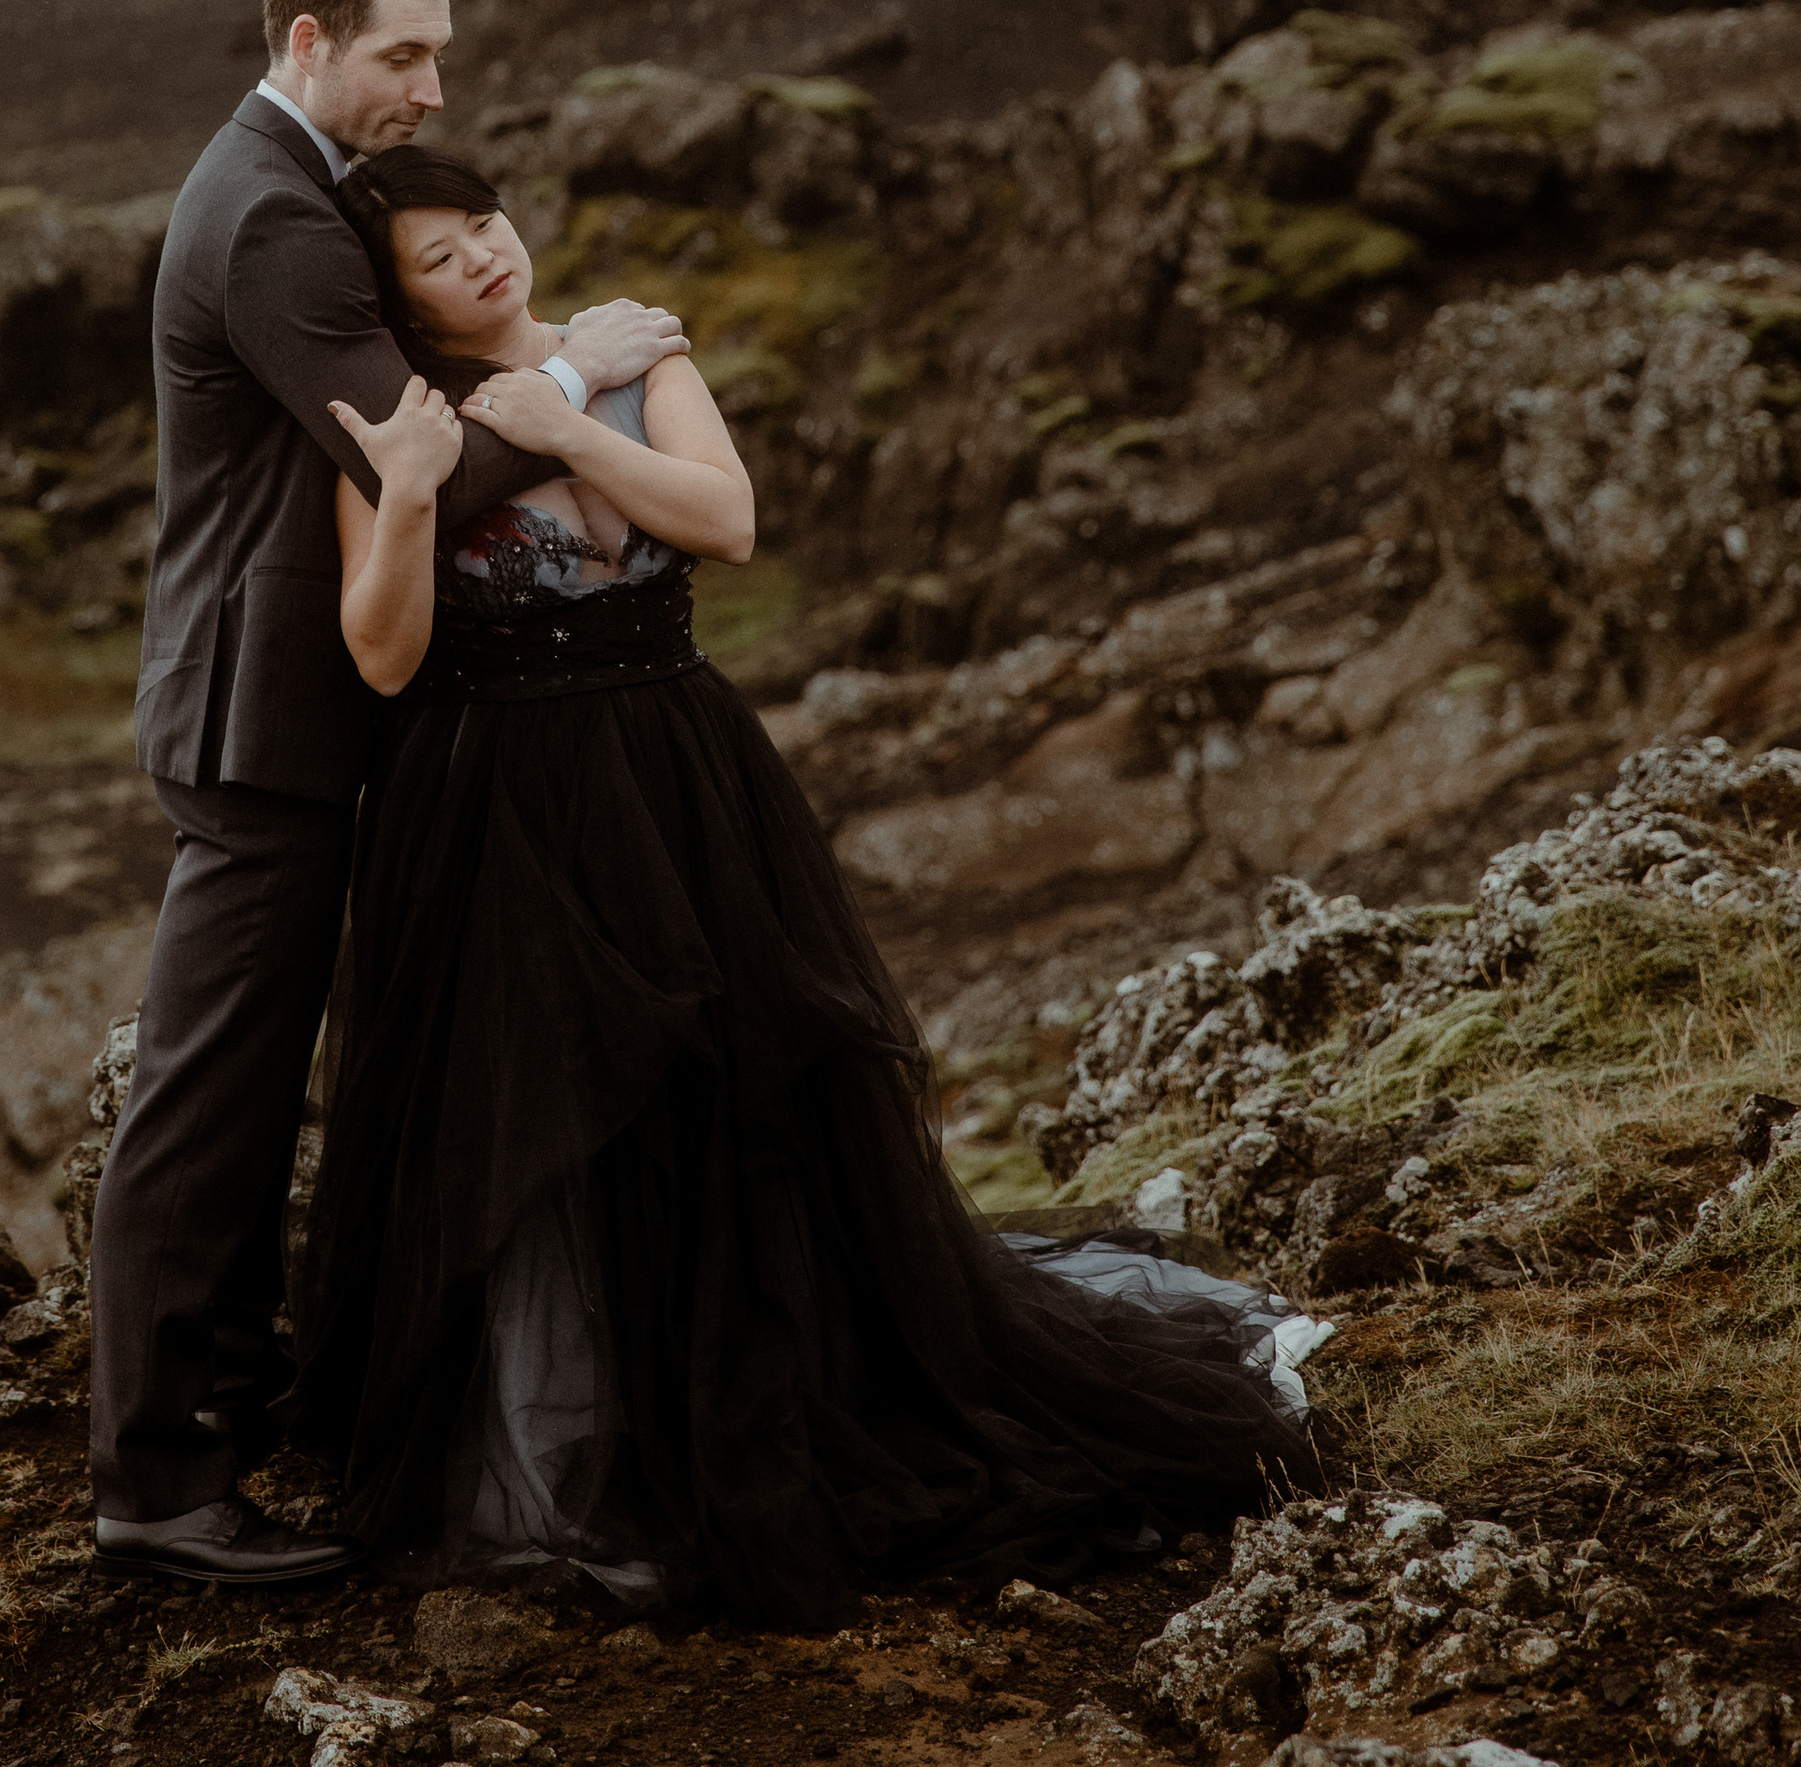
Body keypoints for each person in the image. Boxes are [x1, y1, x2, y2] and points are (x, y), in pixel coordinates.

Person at [289, 145, 1322, 1628]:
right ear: (393, 296)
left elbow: (725, 521)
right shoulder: (393, 423)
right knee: (555, 1118)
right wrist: (405, 497)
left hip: (681, 778)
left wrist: (565, 412)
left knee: (737, 1087)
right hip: (495, 813)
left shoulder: (632, 350)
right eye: (435, 258)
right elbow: (380, 656)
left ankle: (770, 1386)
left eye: (485, 228)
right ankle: (582, 1439)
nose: (480, 263)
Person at [89, 0, 688, 1588]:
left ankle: (226, 1417)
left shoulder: (285, 188)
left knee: (256, 1082)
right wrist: (581, 371)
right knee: (212, 1098)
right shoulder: (273, 219)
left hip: (298, 705)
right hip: (260, 719)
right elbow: (411, 466)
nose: (433, 86)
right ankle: (157, 1485)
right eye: (401, 54)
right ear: (304, 43)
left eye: (440, 53)